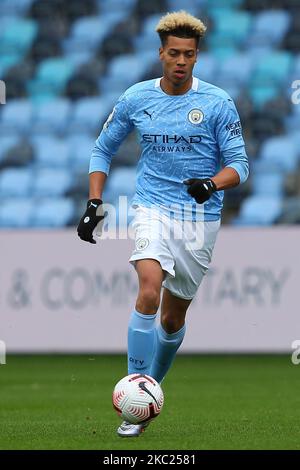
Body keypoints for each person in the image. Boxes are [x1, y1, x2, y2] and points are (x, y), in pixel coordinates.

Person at [77, 10, 249, 437]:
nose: (180, 61)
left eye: (188, 55)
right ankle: (134, 398)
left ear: (196, 57)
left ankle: (152, 388)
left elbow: (241, 167)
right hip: (151, 208)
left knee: (172, 321)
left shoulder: (216, 103)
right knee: (149, 289)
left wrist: (211, 184)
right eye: (173, 53)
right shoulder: (137, 99)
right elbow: (102, 151)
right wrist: (94, 202)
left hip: (199, 217)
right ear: (160, 54)